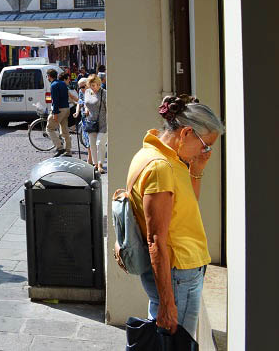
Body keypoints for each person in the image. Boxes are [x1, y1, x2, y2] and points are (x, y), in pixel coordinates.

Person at [120, 95, 223, 339]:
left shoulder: (155, 154)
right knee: (175, 342)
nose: (205, 151)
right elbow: (156, 240)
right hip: (179, 272)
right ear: (187, 132)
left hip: (179, 272)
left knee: (165, 340)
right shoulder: (161, 167)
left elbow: (186, 207)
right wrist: (167, 303)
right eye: (205, 144)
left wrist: (196, 171)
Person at [83, 74, 107, 173]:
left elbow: (109, 107)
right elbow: (86, 103)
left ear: (99, 84)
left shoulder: (104, 93)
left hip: (103, 122)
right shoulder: (87, 92)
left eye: (96, 85)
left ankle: (101, 164)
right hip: (91, 121)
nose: (95, 87)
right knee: (92, 144)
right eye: (92, 85)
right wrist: (86, 110)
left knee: (100, 143)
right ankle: (95, 164)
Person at [45, 69, 71, 156]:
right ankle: (68, 150)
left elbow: (55, 100)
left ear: (49, 76)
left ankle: (59, 147)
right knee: (65, 130)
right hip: (66, 108)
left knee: (49, 128)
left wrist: (55, 113)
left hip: (59, 109)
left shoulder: (53, 85)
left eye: (47, 76)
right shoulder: (63, 83)